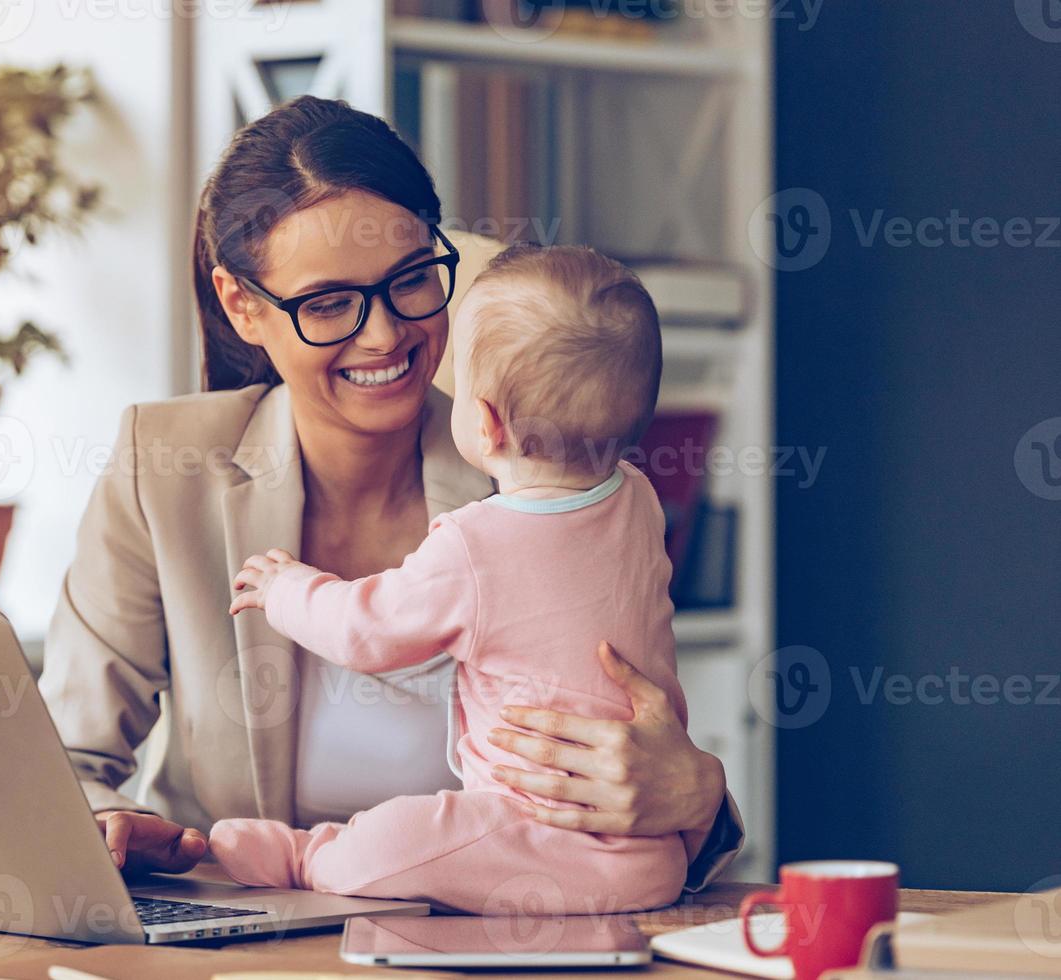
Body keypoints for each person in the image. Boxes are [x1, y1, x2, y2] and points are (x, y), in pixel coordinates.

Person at [38, 95, 743, 889]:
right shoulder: (161, 465)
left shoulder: (540, 468)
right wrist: (108, 826)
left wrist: (697, 794)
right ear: (243, 306)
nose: (384, 335)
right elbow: (63, 759)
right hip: (242, 934)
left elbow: (635, 726)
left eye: (411, 280)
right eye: (329, 303)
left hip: (489, 936)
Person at [210, 243, 686, 914]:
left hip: (534, 830)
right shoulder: (637, 501)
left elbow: (365, 631)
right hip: (650, 856)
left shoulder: (475, 542)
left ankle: (306, 855)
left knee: (401, 834)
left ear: (484, 423)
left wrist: (283, 588)